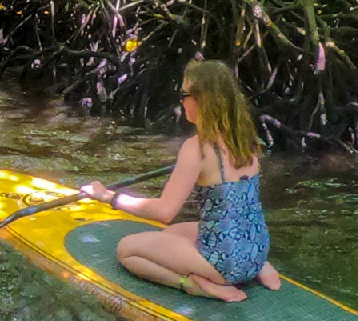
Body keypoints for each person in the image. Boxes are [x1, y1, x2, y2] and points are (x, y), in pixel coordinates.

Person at [80, 60, 282, 302]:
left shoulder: (196, 149)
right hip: (258, 249)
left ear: (202, 101)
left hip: (227, 265)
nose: (181, 101)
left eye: (185, 94)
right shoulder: (246, 140)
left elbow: (165, 211)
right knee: (174, 233)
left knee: (127, 250)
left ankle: (193, 284)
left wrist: (108, 197)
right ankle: (258, 266)